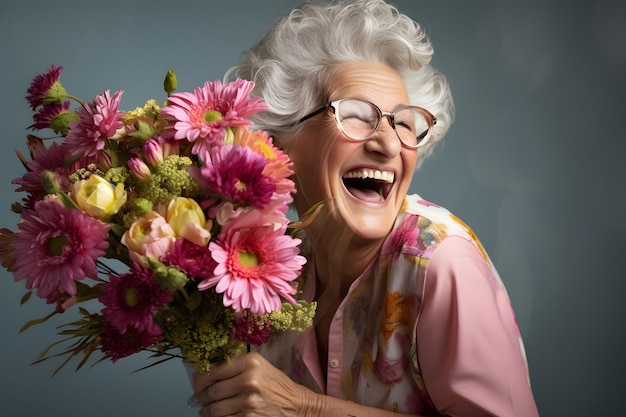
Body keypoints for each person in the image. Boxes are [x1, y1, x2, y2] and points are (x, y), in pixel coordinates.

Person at [191, 0, 540, 416]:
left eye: (405, 124)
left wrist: (305, 408)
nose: (389, 144)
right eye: (356, 116)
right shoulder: (259, 271)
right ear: (279, 141)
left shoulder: (441, 263)